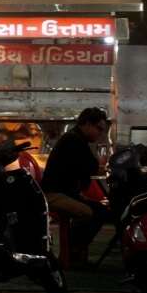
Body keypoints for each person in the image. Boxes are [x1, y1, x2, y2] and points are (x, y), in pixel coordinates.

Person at [41, 107, 109, 265]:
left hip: (64, 192)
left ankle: (75, 248)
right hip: (54, 195)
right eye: (98, 129)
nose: (100, 134)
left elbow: (87, 167)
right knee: (92, 212)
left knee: (100, 210)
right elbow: (91, 166)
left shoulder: (76, 138)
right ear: (86, 124)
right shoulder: (74, 140)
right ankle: (72, 250)